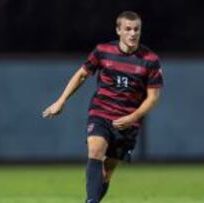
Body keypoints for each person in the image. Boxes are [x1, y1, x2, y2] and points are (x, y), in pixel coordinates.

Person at [42, 10, 163, 203]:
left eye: (137, 29)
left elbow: (153, 98)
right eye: (128, 29)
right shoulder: (103, 51)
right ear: (118, 30)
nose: (133, 33)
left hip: (127, 121)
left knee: (107, 172)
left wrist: (132, 117)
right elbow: (82, 74)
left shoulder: (150, 60)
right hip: (101, 112)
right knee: (95, 150)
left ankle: (93, 199)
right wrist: (61, 101)